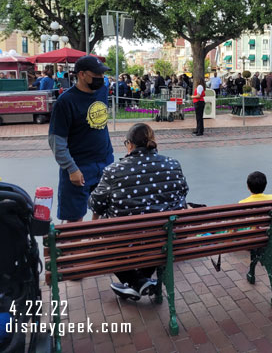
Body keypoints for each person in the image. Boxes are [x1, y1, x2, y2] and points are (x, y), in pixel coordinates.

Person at [89, 123, 188, 300]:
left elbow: (96, 204)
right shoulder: (173, 164)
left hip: (127, 240)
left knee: (102, 238)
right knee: (153, 235)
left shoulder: (113, 171)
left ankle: (136, 282)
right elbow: (183, 192)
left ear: (129, 144)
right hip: (166, 238)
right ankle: (141, 280)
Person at [48, 56, 114, 222]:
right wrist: (71, 168)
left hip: (104, 163)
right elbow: (56, 141)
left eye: (102, 75)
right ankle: (74, 247)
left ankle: (96, 243)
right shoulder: (65, 102)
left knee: (104, 213)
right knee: (74, 219)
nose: (101, 78)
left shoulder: (102, 90)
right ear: (82, 75)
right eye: (96, 75)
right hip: (79, 167)